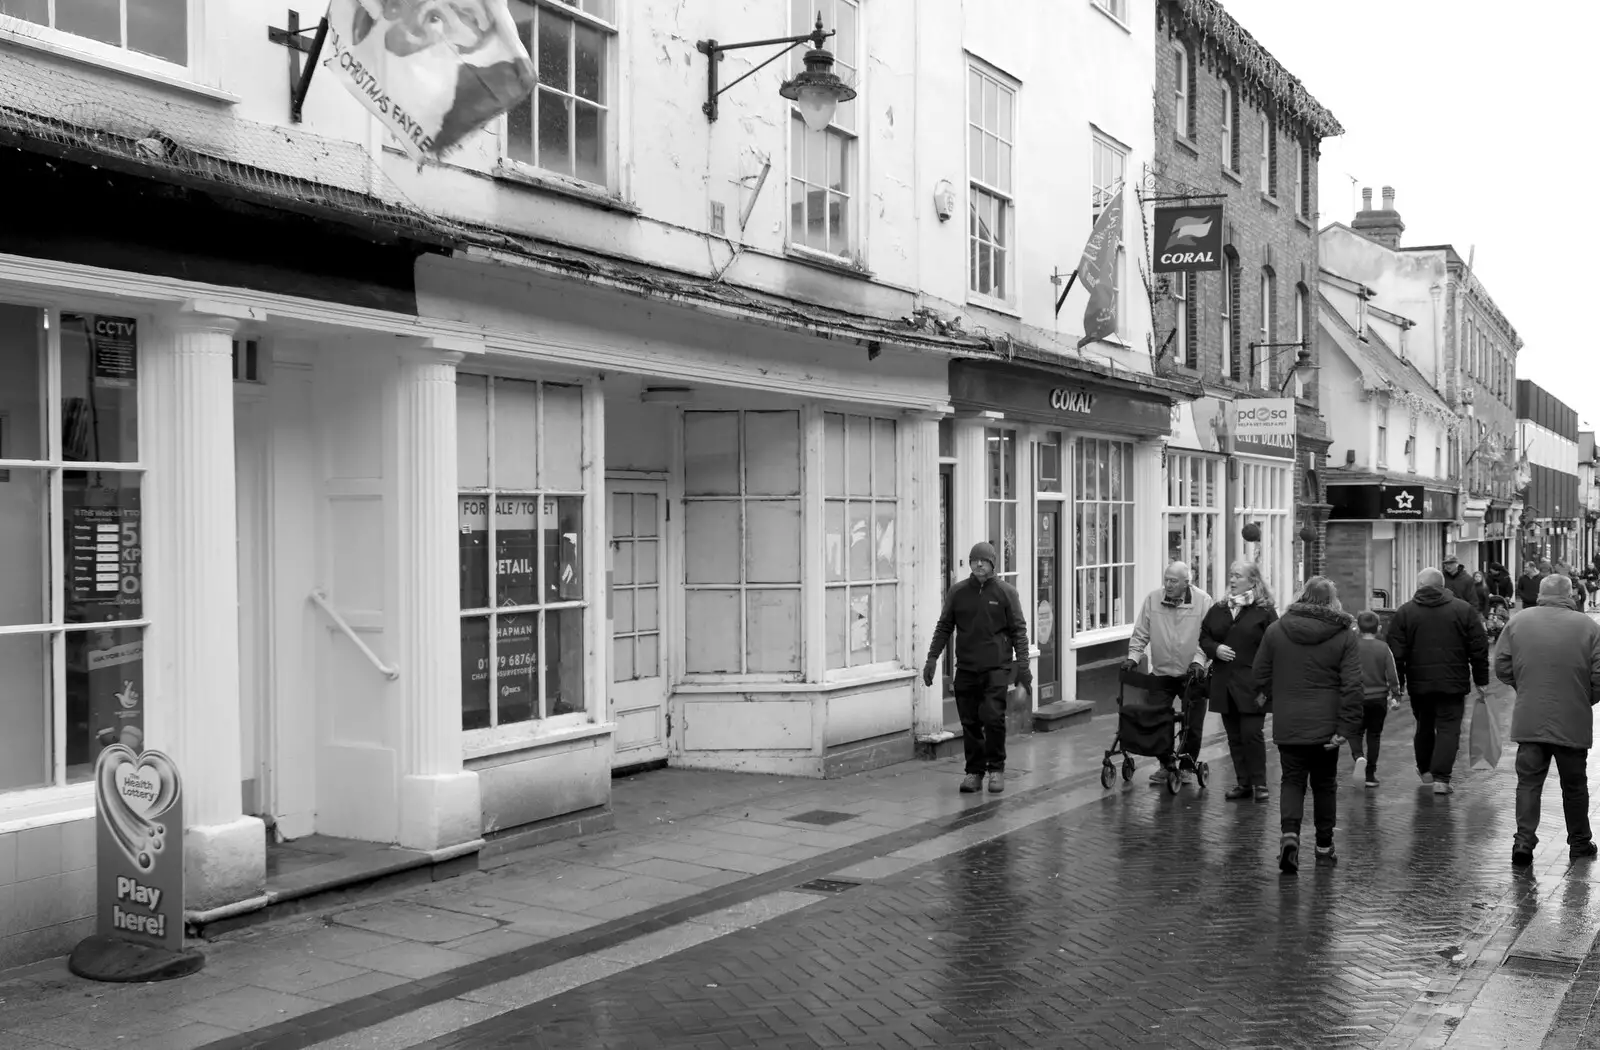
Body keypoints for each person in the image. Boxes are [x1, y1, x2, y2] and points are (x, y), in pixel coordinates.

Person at [1253, 577, 1364, 873]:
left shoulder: (1276, 630)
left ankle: (1290, 836)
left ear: (1302, 597)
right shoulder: (1344, 635)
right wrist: (1345, 728)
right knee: (1325, 785)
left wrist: (1275, 703)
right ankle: (1324, 846)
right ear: (1333, 602)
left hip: (1289, 722)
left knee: (1292, 780)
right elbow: (1353, 686)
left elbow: (1259, 675)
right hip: (1327, 726)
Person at [1495, 574, 1600, 866]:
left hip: (1530, 718)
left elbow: (1501, 664)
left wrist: (1524, 687)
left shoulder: (1518, 621)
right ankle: (1579, 842)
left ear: (1540, 593)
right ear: (1572, 595)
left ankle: (1523, 842)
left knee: (1528, 783)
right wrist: (1582, 697)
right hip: (1572, 719)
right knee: (1574, 784)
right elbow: (1599, 676)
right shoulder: (1588, 627)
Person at [923, 542, 1031, 795]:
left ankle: (996, 769)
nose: (979, 564)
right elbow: (944, 626)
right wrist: (932, 658)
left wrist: (1023, 670)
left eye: (984, 560)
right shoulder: (958, 592)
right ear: (970, 564)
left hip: (997, 667)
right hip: (967, 668)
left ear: (993, 563)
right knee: (969, 722)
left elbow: (1019, 632)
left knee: (992, 718)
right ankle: (974, 772)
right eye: (974, 560)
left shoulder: (1006, 593)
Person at [1387, 567, 1490, 795]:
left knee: (1424, 726)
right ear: (1443, 586)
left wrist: (1398, 686)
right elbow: (1478, 647)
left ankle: (1425, 771)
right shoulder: (1463, 610)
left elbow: (1396, 653)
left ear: (1420, 585)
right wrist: (1481, 680)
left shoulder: (1405, 613)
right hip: (1453, 683)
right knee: (1449, 729)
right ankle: (1442, 778)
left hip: (1419, 683)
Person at [1199, 560, 1278, 802]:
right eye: (1231, 575)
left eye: (1238, 576)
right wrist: (1216, 649)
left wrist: (1268, 684)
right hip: (1224, 685)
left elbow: (1275, 647)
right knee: (1234, 737)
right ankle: (1243, 783)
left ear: (1253, 581)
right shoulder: (1220, 608)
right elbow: (1204, 636)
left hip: (1254, 686)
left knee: (1252, 734)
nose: (1232, 580)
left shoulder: (1264, 612)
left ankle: (1260, 784)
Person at [1125, 563, 1211, 785]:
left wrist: (1199, 661)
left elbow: (1208, 637)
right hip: (1162, 671)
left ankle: (1187, 766)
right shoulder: (1153, 599)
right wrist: (1133, 657)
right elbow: (1141, 632)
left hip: (1193, 673)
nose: (1168, 585)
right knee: (1155, 718)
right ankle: (1167, 765)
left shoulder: (1203, 601)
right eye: (1166, 579)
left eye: (1174, 581)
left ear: (1186, 583)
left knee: (1192, 722)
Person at [1350, 611, 1401, 787]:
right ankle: (1370, 775)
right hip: (1378, 698)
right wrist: (1396, 694)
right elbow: (1392, 673)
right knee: (1374, 735)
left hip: (1356, 697)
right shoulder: (1383, 647)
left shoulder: (1352, 647)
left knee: (1355, 732)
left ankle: (1358, 756)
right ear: (1378, 628)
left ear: (1358, 627)